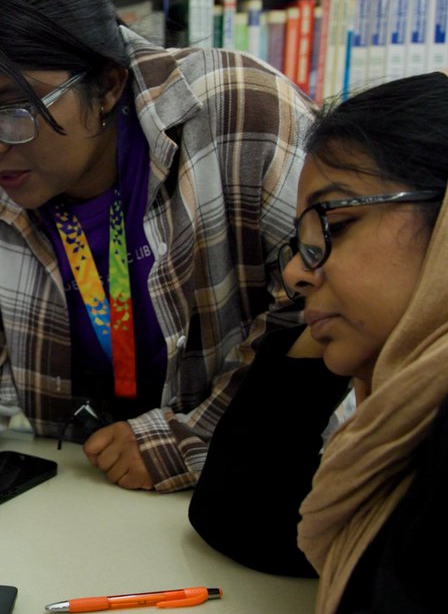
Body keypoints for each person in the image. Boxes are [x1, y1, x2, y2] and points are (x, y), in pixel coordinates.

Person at [0, 0, 312, 497]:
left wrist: (185, 438)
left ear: (108, 85)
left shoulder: (237, 115)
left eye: (13, 109)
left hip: (249, 484)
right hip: (94, 486)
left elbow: (311, 319)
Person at [192, 71, 448, 611]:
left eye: (337, 223)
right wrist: (333, 315)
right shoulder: (407, 418)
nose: (295, 278)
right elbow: (241, 517)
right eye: (303, 244)